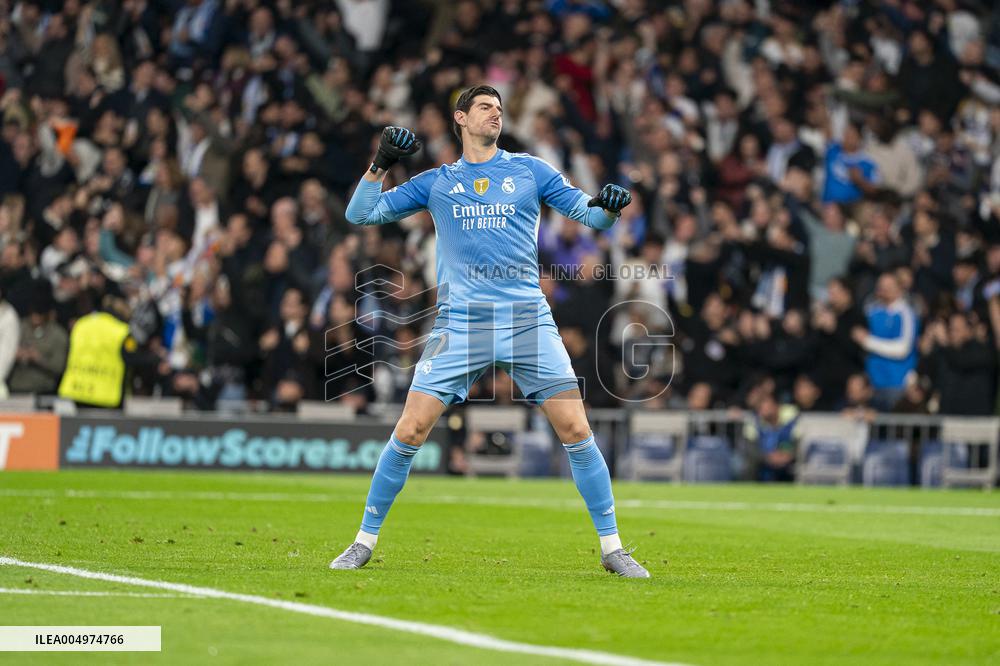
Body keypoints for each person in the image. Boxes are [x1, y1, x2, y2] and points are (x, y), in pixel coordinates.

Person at [330, 85, 648, 577]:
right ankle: (362, 542)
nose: (495, 114)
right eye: (484, 107)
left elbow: (591, 217)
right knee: (410, 429)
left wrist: (608, 206)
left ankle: (613, 548)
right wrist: (381, 163)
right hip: (461, 323)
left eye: (499, 108)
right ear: (460, 118)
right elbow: (359, 214)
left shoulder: (530, 170)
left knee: (576, 429)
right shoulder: (437, 182)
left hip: (526, 320)